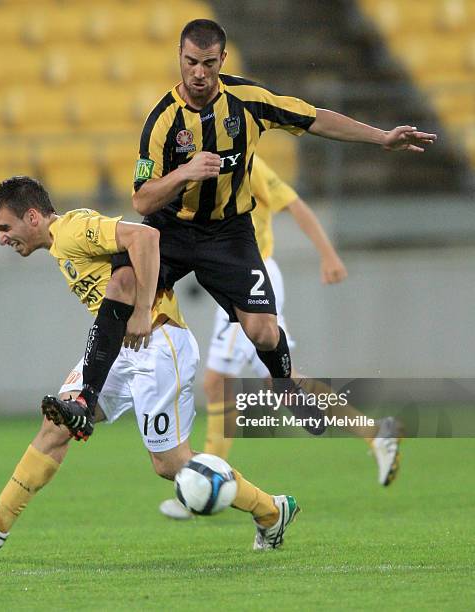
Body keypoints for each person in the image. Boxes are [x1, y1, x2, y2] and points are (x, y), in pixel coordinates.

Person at [0, 176, 300, 553]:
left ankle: (272, 511)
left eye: (4, 227)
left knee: (169, 463)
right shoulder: (59, 246)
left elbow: (144, 238)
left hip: (159, 343)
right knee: (57, 423)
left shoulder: (72, 229)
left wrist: (144, 309)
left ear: (32, 217)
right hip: (120, 348)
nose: (1, 238)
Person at [131, 19, 436, 433]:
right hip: (171, 229)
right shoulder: (161, 121)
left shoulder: (249, 101)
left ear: (222, 59)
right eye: (190, 63)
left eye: (207, 63)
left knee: (265, 333)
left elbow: (315, 118)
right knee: (124, 294)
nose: (199, 73)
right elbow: (142, 199)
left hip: (229, 232)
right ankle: (85, 393)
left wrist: (381, 137)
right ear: (179, 59)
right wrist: (183, 175)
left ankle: (286, 387)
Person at [159, 157, 401, 520]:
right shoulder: (201, 166)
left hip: (251, 277)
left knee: (216, 382)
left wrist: (328, 254)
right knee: (279, 380)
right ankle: (374, 432)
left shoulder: (244, 164)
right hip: (241, 276)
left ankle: (201, 484)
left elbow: (294, 204)